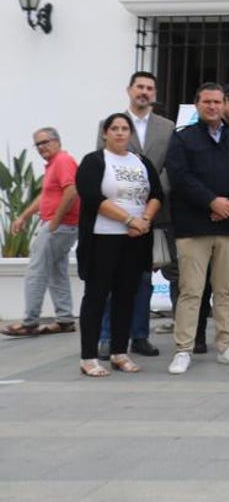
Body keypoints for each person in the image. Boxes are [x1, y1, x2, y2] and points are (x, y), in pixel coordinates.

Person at [163, 82, 229, 375]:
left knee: (226, 290)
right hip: (194, 227)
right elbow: (179, 176)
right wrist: (211, 202)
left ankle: (226, 344)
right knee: (191, 291)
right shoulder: (183, 139)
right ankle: (183, 349)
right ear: (197, 105)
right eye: (207, 102)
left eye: (217, 102)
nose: (213, 106)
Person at [75, 113, 164, 376]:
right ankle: (88, 356)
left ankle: (119, 352)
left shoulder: (142, 162)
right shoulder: (94, 161)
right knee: (97, 296)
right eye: (114, 128)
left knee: (127, 296)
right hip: (103, 239)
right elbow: (91, 197)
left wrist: (145, 218)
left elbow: (157, 194)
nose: (120, 133)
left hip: (135, 240)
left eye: (125, 129)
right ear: (105, 132)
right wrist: (128, 219)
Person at [94, 70, 175, 359]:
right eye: (139, 87)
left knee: (143, 278)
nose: (144, 92)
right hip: (116, 217)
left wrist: (151, 197)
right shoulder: (111, 124)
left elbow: (168, 169)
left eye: (149, 88)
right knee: (112, 278)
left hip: (153, 213)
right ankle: (107, 336)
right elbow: (100, 165)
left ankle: (140, 335)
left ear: (154, 93)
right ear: (129, 90)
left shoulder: (167, 127)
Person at [2, 127, 79, 338]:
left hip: (60, 226)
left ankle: (30, 322)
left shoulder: (63, 161)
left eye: (45, 142)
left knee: (36, 272)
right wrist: (24, 216)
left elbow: (71, 190)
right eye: (38, 144)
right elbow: (45, 196)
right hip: (62, 225)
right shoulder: (54, 165)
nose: (41, 147)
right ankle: (64, 320)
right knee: (57, 271)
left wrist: (54, 222)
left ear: (57, 141)